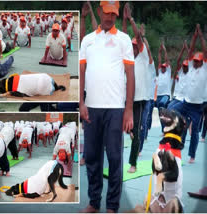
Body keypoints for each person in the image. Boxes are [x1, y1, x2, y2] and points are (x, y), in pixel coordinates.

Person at [79, 1, 134, 212]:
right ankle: (94, 202)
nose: (110, 17)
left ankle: (112, 206)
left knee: (114, 157)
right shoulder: (88, 40)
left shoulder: (124, 40)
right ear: (100, 11)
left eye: (114, 13)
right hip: (91, 107)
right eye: (107, 12)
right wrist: (81, 103)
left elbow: (130, 75)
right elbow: (82, 72)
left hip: (115, 109)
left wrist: (128, 109)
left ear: (117, 15)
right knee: (92, 157)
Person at [170, 24, 207, 163]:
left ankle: (192, 155)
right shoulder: (191, 67)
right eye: (195, 61)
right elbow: (191, 51)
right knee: (171, 111)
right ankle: (176, 147)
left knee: (195, 133)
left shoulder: (205, 68)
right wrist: (194, 36)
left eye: (199, 61)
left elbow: (205, 52)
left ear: (202, 62)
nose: (197, 63)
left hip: (198, 106)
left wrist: (201, 36)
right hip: (186, 103)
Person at [122, 3, 148, 173]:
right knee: (120, 129)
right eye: (131, 46)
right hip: (125, 100)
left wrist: (130, 18)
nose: (133, 47)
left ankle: (133, 163)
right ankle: (129, 131)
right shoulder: (127, 60)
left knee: (137, 134)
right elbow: (123, 38)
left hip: (139, 102)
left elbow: (138, 36)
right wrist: (123, 20)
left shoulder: (144, 56)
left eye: (135, 45)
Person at [156, 41, 172, 132]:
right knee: (161, 113)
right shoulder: (160, 73)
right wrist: (159, 52)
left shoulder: (168, 72)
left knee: (162, 104)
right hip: (158, 95)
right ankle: (164, 129)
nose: (162, 68)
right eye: (162, 67)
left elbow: (166, 60)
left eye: (164, 67)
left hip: (166, 95)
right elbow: (159, 61)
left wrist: (165, 50)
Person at [168, 40, 189, 110]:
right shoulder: (181, 72)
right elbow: (178, 61)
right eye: (183, 66)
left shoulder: (190, 73)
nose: (184, 67)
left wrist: (187, 49)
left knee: (172, 109)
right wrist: (183, 49)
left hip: (184, 99)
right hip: (178, 97)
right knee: (168, 107)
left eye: (186, 66)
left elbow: (191, 59)